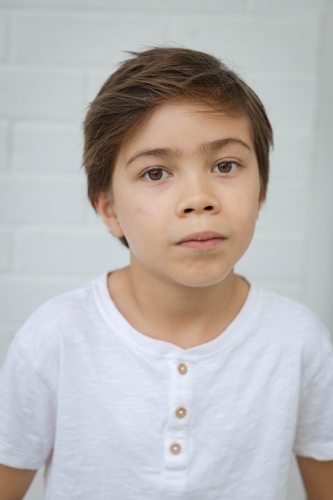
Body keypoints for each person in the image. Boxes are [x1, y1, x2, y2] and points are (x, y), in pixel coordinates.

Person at [0, 47, 332, 500]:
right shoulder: (55, 338)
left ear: (261, 192)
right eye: (156, 172)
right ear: (110, 210)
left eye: (226, 166)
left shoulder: (298, 341)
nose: (199, 198)